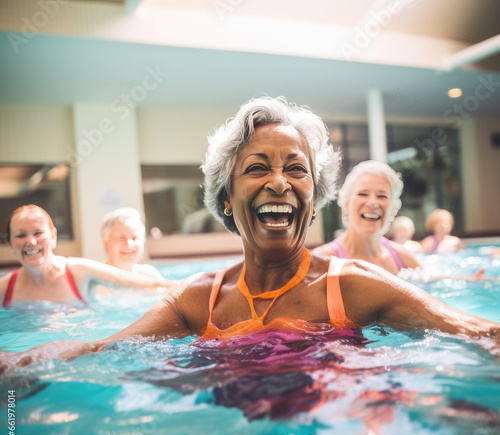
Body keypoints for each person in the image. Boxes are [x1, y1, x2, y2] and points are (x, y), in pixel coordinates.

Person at [0, 97, 498, 371]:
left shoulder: (354, 286)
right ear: (225, 199)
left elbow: (481, 333)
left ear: (314, 194)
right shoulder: (199, 301)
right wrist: (19, 360)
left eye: (296, 169)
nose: (279, 181)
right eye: (257, 167)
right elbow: (99, 348)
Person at [0, 205, 176, 308]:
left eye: (38, 233)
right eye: (21, 235)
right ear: (9, 242)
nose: (30, 242)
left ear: (53, 236)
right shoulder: (3, 290)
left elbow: (139, 281)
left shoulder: (80, 271)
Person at [313, 161, 421, 275]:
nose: (373, 203)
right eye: (362, 194)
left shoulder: (404, 259)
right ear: (345, 205)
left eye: (382, 196)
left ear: (394, 209)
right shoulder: (322, 261)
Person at [101, 207, 162, 279]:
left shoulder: (151, 276)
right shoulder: (94, 278)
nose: (129, 244)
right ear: (106, 244)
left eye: (134, 238)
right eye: (121, 238)